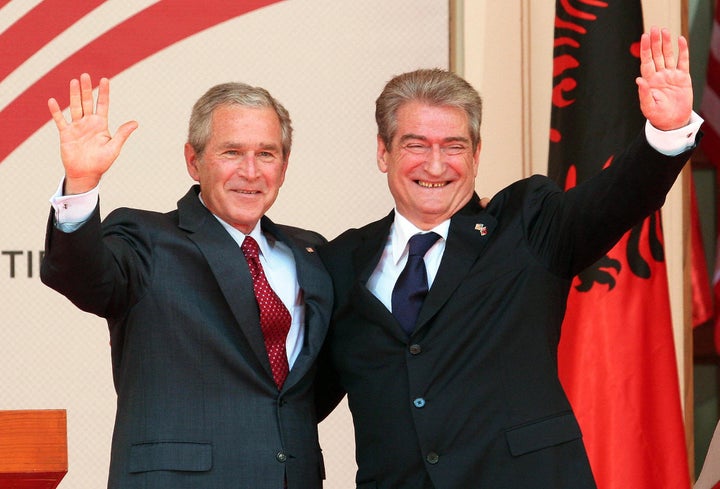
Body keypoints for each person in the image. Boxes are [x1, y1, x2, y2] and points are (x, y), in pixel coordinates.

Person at [315, 27, 702, 488]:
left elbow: (615, 199)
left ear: (476, 154)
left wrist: (666, 132)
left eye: (454, 146)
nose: (435, 166)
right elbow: (298, 397)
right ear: (384, 152)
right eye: (416, 145)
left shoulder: (526, 224)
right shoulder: (341, 261)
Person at [40, 74, 332, 489]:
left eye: (266, 154)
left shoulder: (312, 254)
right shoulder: (145, 239)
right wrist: (82, 182)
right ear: (194, 161)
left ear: (283, 167)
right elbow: (80, 275)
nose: (250, 171)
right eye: (231, 152)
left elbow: (322, 380)